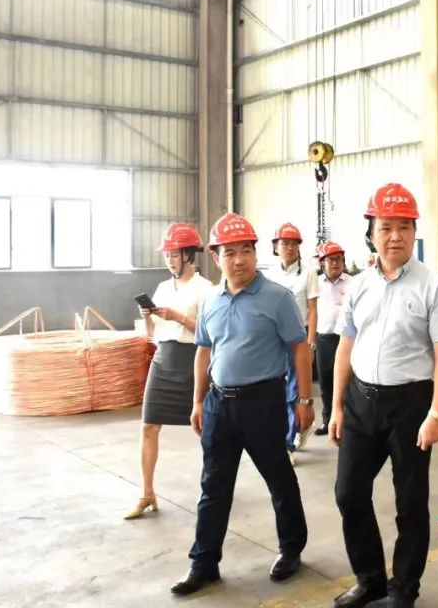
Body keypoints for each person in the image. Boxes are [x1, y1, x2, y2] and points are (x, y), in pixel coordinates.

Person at [330, 183, 438, 608]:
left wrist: (436, 414)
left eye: (404, 227)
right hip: (360, 402)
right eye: (386, 227)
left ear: (414, 232)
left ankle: (404, 590)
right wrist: (336, 406)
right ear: (371, 233)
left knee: (410, 502)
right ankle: (370, 580)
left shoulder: (434, 287)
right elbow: (346, 346)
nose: (395, 236)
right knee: (349, 493)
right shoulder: (359, 286)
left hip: (410, 406)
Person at [170, 213, 314, 596]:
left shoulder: (277, 298)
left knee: (279, 479)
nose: (239, 260)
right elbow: (204, 351)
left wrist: (304, 399)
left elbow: (299, 348)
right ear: (215, 257)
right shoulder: (209, 301)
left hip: (263, 403)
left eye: (246, 251)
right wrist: (197, 401)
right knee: (213, 486)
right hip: (219, 405)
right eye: (230, 253)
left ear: (255, 253)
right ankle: (204, 563)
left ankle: (291, 550)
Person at [126, 222, 215, 520]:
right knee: (148, 425)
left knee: (206, 429)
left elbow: (211, 333)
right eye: (166, 255)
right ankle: (146, 493)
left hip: (194, 360)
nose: (169, 260)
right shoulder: (163, 288)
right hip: (163, 360)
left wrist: (179, 317)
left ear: (189, 255)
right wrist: (147, 317)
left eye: (174, 255)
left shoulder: (206, 289)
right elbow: (152, 332)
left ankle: (212, 488)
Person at [262, 223, 319, 458]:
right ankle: (291, 430)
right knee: (276, 387)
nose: (289, 248)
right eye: (284, 243)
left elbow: (313, 309)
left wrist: (311, 342)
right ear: (276, 247)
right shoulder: (269, 274)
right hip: (274, 338)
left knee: (295, 389)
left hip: (299, 337)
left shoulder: (308, 272)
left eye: (294, 244)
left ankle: (288, 443)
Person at [314, 241, 351, 436]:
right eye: (331, 260)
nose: (336, 263)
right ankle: (328, 421)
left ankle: (350, 422)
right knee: (326, 382)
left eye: (339, 259)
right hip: (324, 340)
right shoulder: (316, 284)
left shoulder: (353, 283)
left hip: (348, 340)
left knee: (349, 382)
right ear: (322, 263)